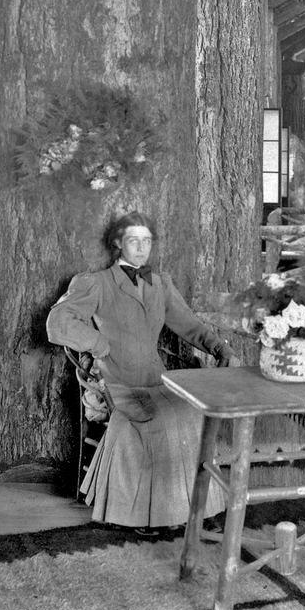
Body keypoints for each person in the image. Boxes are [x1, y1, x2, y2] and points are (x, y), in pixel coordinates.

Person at [47, 211, 239, 533]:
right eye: (133, 240)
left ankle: (193, 508)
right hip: (116, 381)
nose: (140, 248)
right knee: (158, 419)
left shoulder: (159, 284)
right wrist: (96, 342)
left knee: (193, 411)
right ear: (118, 244)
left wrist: (221, 349)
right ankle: (147, 515)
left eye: (146, 241)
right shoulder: (96, 283)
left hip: (156, 379)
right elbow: (57, 324)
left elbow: (189, 325)